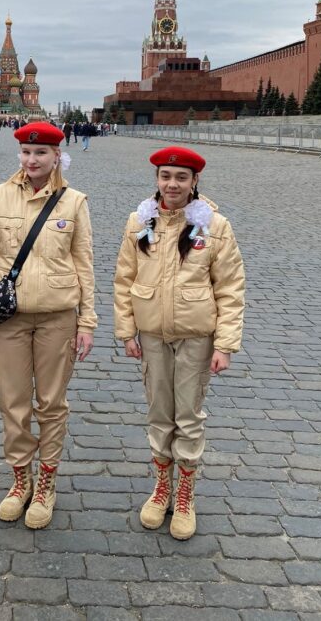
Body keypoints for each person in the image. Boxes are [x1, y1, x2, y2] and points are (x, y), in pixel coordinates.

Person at [0, 122, 97, 529]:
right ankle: (21, 479)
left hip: (58, 316)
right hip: (10, 318)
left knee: (52, 404)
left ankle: (47, 484)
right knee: (14, 403)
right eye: (25, 152)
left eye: (40, 153)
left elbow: (84, 263)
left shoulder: (73, 202)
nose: (32, 160)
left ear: (57, 155)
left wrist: (86, 320)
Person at [113, 146, 245, 540]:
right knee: (159, 412)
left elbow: (231, 288)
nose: (172, 185)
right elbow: (124, 278)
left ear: (194, 182)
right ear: (156, 179)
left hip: (195, 336)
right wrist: (126, 331)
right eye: (166, 177)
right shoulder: (140, 219)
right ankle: (161, 487)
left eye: (181, 178)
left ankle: (185, 493)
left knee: (188, 415)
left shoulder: (214, 225)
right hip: (152, 333)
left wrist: (225, 345)